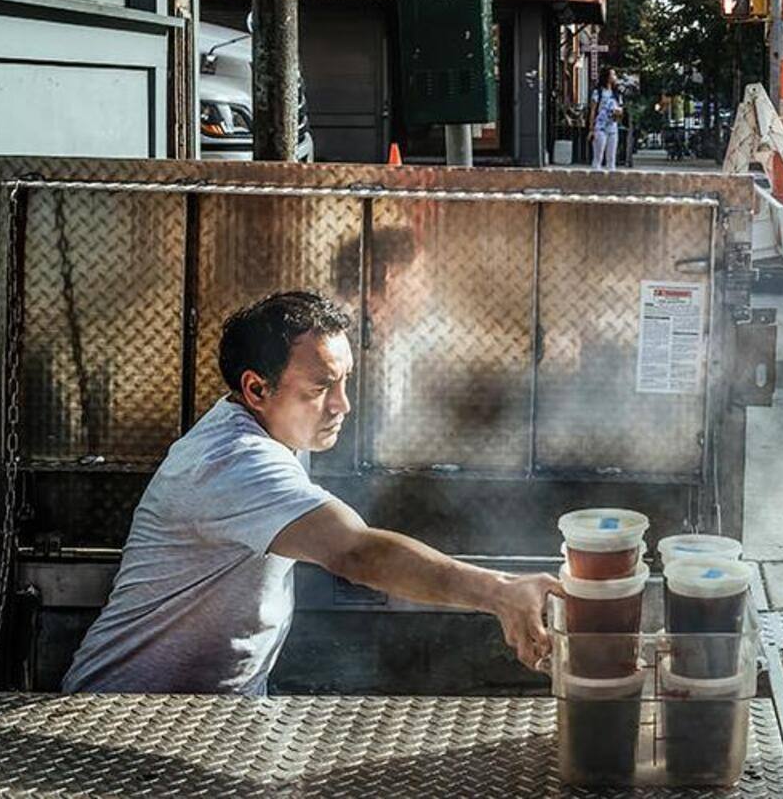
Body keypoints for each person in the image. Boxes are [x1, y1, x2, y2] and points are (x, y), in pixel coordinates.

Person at [62, 290, 560, 695]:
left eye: (345, 381)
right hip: (125, 715)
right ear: (256, 389)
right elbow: (355, 552)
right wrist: (499, 591)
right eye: (322, 387)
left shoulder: (278, 430)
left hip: (213, 715)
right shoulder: (233, 461)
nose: (343, 404)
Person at [588, 71, 623, 170]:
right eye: (613, 74)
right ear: (607, 77)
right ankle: (596, 176)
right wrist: (591, 128)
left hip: (613, 127)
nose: (615, 77)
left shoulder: (616, 93)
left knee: (611, 157)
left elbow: (621, 110)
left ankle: (611, 178)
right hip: (600, 126)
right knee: (598, 155)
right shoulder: (598, 92)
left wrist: (618, 112)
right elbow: (593, 110)